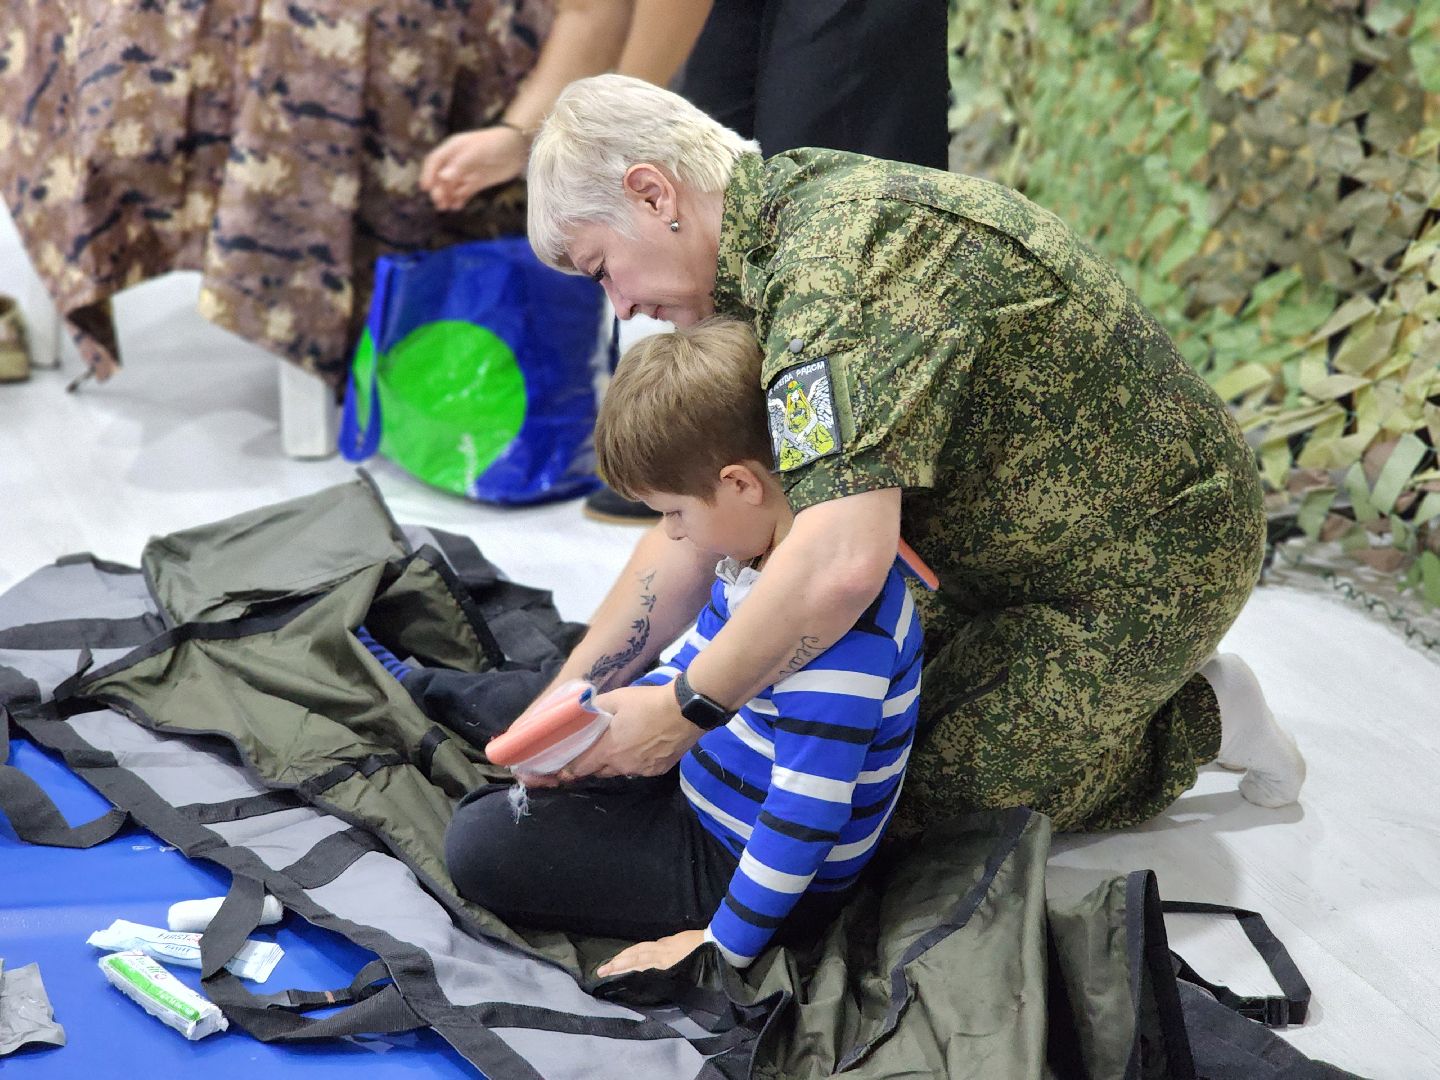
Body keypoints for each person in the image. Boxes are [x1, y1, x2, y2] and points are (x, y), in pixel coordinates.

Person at [521, 74, 1307, 839]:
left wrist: (681, 712)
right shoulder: (764, 249)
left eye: (601, 270)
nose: (619, 306)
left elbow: (840, 563)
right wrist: (571, 698)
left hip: (1147, 561)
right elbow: (693, 518)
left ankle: (1200, 718)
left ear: (655, 195)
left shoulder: (834, 272)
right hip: (980, 552)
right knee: (787, 729)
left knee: (875, 809)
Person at [443, 319, 924, 974]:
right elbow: (690, 663)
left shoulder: (841, 639)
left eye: (674, 513)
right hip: (701, 789)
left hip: (748, 869)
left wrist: (719, 946)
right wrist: (601, 731)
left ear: (740, 484)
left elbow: (803, 817)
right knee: (513, 726)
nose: (672, 535)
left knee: (479, 846)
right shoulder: (757, 558)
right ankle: (425, 687)